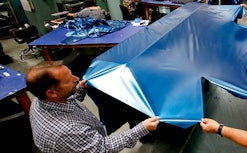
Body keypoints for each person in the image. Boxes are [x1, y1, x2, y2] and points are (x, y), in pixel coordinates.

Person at [26, 60, 160, 153]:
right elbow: (103, 149)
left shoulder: (40, 101)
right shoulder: (67, 131)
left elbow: (68, 102)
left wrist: (79, 89)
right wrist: (142, 128)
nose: (76, 78)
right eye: (69, 80)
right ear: (51, 93)